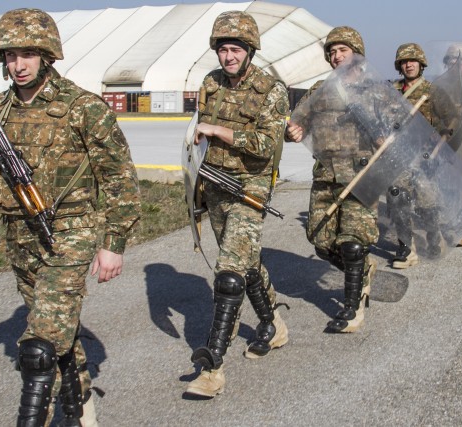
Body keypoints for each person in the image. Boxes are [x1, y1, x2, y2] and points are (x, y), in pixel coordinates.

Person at [0, 8, 141, 426]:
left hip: (70, 236)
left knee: (38, 348)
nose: (17, 65)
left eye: (27, 54)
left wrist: (113, 243)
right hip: (20, 238)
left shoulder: (83, 108)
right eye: (9, 55)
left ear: (47, 54)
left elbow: (119, 179)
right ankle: (81, 409)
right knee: (59, 334)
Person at [185, 10, 290, 398]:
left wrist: (219, 131)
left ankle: (211, 365)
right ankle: (271, 324)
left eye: (235, 49)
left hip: (251, 186)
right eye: (222, 49)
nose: (227, 57)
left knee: (228, 270)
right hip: (214, 185)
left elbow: (265, 145)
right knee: (244, 262)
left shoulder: (271, 90)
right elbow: (195, 134)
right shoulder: (210, 84)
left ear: (249, 49)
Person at [285, 27, 377, 334]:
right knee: (321, 241)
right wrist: (293, 130)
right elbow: (298, 121)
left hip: (362, 177)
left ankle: (352, 309)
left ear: (357, 54)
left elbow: (396, 131)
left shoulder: (376, 90)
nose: (337, 55)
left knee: (351, 243)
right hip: (325, 176)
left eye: (343, 50)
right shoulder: (319, 90)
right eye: (333, 51)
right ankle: (362, 268)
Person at [388, 43, 444, 267]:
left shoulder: (433, 91)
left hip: (424, 156)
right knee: (397, 202)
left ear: (421, 64)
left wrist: (438, 149)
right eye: (404, 61)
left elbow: (446, 124)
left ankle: (433, 236)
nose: (408, 64)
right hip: (397, 155)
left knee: (426, 203)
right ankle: (405, 248)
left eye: (412, 61)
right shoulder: (390, 92)